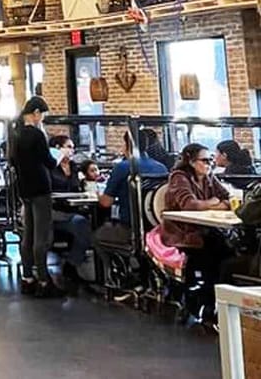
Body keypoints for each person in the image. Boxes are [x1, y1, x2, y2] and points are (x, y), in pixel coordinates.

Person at [161, 143, 232, 315]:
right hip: (182, 232)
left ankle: (217, 300)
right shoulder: (179, 177)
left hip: (204, 229)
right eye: (205, 160)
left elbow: (227, 199)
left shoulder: (208, 177)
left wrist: (212, 204)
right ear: (191, 162)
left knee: (227, 250)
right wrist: (215, 203)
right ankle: (206, 302)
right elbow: (189, 205)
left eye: (211, 160)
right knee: (216, 251)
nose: (209, 164)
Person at [92, 129, 168, 281]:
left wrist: (96, 193)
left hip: (130, 229)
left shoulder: (123, 167)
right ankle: (139, 270)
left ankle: (118, 274)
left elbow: (106, 203)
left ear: (127, 145)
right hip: (157, 229)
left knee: (96, 237)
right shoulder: (161, 167)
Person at [9, 95, 63, 297]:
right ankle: (43, 280)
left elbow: (13, 161)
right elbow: (48, 162)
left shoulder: (15, 134)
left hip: (25, 188)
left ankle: (27, 278)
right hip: (41, 188)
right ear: (36, 113)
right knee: (42, 236)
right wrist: (60, 156)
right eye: (43, 115)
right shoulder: (36, 135)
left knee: (28, 234)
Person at [48, 134, 93, 285]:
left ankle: (74, 261)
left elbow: (80, 187)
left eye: (73, 147)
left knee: (91, 220)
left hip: (74, 209)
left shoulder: (74, 167)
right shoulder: (51, 168)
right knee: (81, 224)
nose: (72, 151)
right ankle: (72, 264)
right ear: (57, 149)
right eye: (68, 147)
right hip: (56, 212)